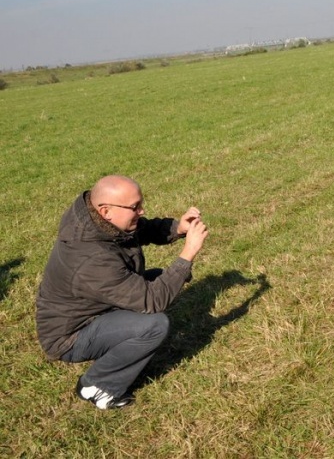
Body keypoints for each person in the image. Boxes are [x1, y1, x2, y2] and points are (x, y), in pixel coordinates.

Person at [36, 175, 209, 409]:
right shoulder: (91, 258)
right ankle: (97, 386)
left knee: (159, 277)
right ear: (106, 211)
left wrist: (178, 227)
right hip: (69, 336)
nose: (141, 210)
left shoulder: (98, 222)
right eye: (134, 207)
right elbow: (153, 300)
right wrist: (187, 255)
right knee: (155, 325)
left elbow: (141, 230)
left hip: (93, 310)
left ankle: (118, 349)